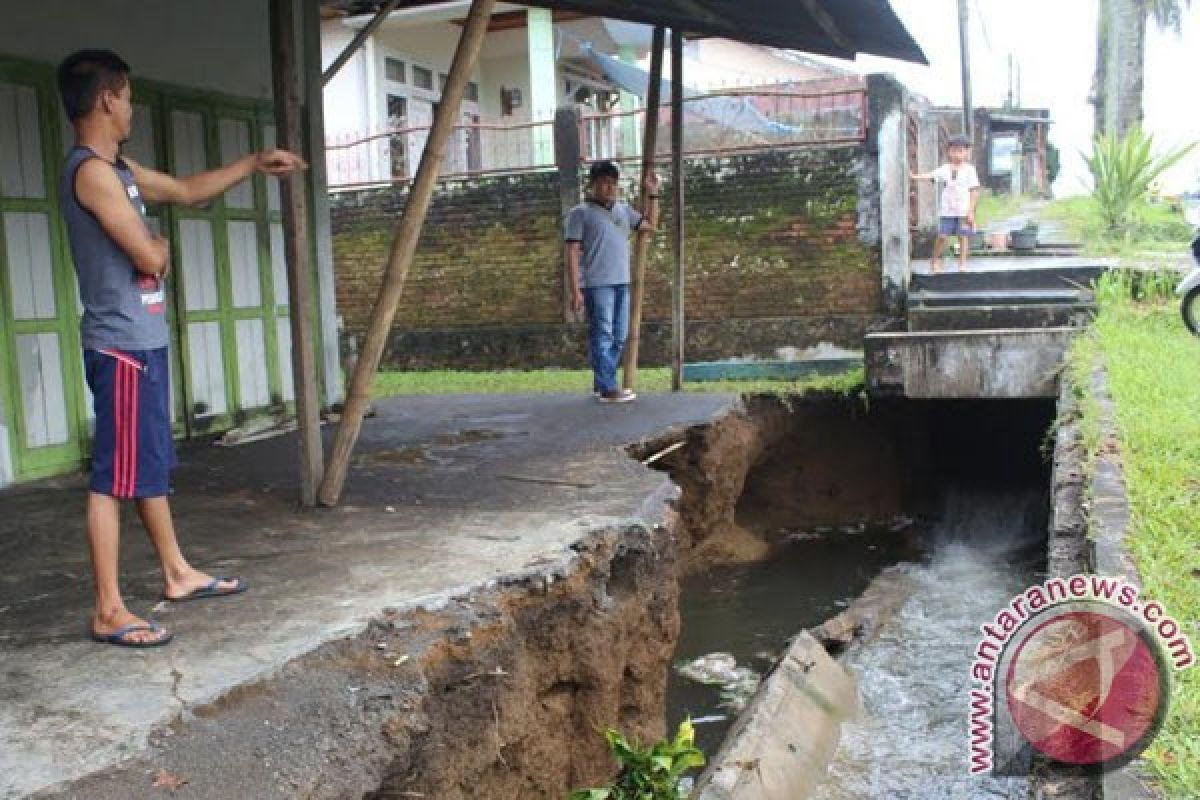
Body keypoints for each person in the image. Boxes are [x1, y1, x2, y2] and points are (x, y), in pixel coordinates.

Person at [56, 49, 307, 647]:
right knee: (111, 478)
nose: (131, 108)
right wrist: (160, 248)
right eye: (129, 97)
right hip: (119, 345)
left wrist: (251, 162)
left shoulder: (119, 169)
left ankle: (177, 573)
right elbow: (148, 257)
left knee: (148, 467)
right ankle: (109, 609)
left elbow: (186, 190)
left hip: (143, 341)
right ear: (108, 99)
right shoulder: (91, 172)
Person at [564, 161, 659, 404]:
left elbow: (650, 225)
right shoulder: (580, 213)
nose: (610, 188)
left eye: (613, 183)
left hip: (621, 282)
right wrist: (575, 291)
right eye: (604, 183)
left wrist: (652, 193)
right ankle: (608, 387)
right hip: (597, 284)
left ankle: (602, 382)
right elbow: (572, 252)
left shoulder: (624, 210)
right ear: (593, 184)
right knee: (603, 333)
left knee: (619, 334)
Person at [912, 134, 981, 272]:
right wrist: (914, 177)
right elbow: (930, 175)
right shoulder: (944, 169)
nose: (957, 154)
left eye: (960, 151)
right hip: (947, 211)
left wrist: (971, 211)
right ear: (949, 152)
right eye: (954, 150)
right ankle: (934, 262)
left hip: (963, 211)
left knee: (963, 237)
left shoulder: (970, 170)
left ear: (967, 152)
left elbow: (974, 191)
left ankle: (962, 264)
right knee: (942, 236)